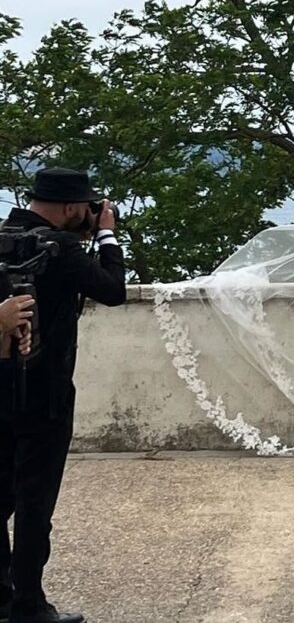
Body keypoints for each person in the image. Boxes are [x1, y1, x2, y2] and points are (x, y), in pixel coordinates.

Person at [0, 168, 127, 623]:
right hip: (46, 395)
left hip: (0, 387)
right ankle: (29, 607)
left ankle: (2, 596)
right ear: (73, 207)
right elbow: (113, 291)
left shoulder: (5, 238)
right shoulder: (65, 250)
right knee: (34, 502)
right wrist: (108, 236)